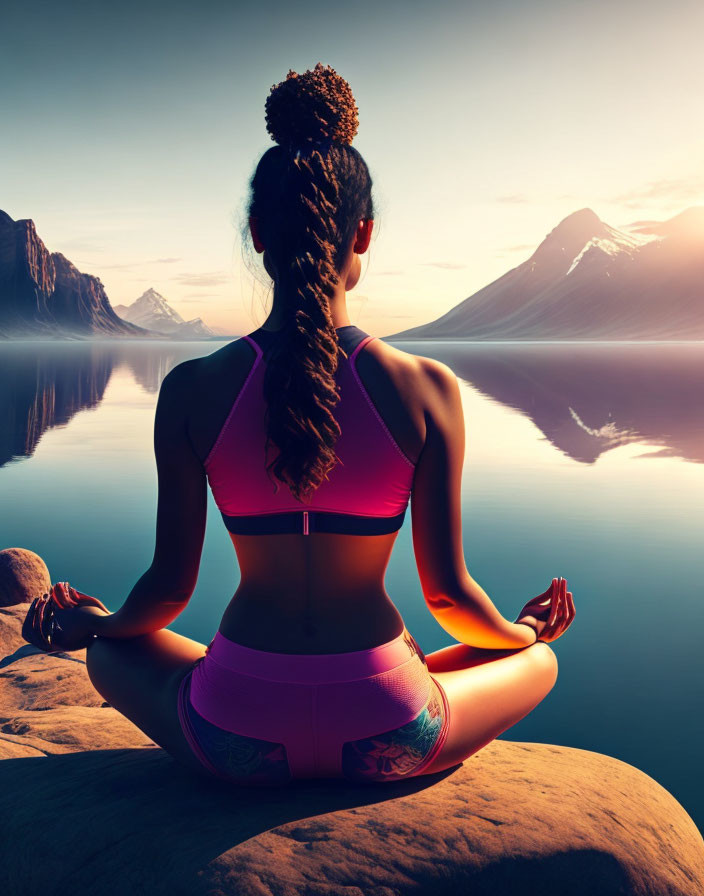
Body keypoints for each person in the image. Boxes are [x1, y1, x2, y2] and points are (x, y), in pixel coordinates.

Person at [31, 64, 575, 786]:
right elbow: (447, 598)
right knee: (536, 660)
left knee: (111, 651)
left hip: (233, 730)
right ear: (365, 235)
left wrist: (95, 626)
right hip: (390, 729)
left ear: (258, 234)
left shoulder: (191, 390)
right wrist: (526, 630)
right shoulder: (428, 390)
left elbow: (168, 590)